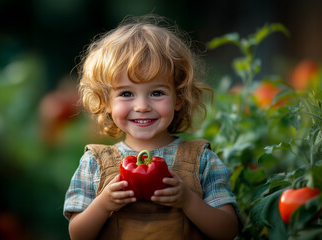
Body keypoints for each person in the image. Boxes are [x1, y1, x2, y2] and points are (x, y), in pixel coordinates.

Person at [63, 15, 239, 240]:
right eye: (126, 93)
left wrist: (188, 201)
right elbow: (78, 235)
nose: (142, 106)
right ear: (106, 101)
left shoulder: (202, 160)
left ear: (179, 97)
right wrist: (104, 204)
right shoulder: (94, 163)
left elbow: (227, 231)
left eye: (157, 93)